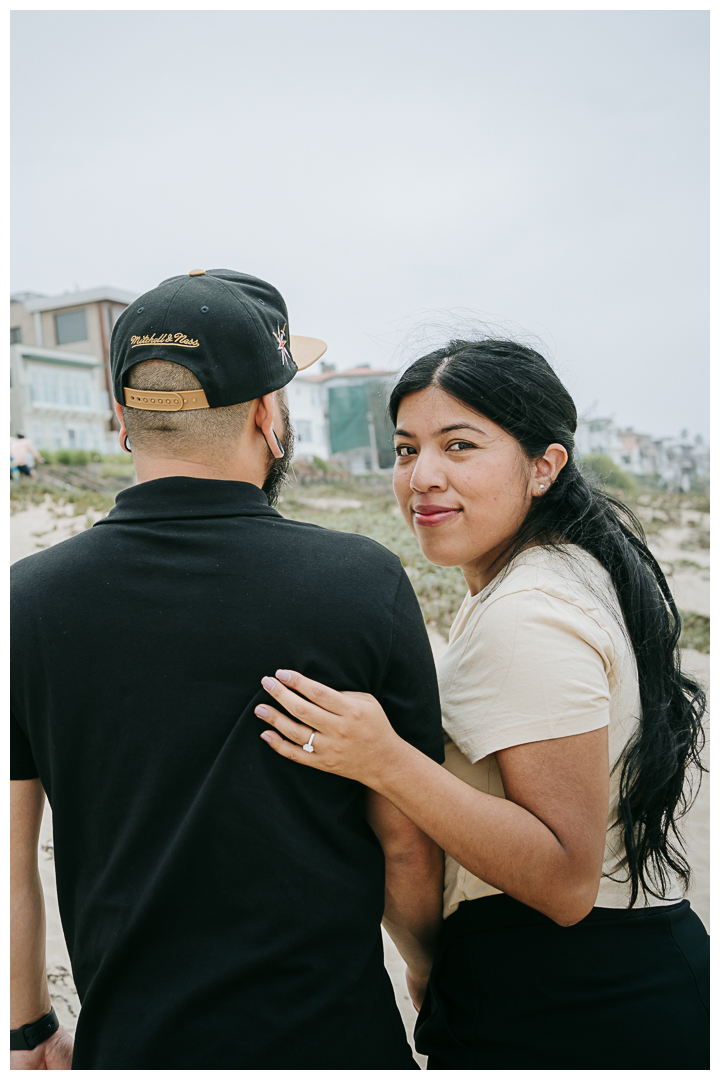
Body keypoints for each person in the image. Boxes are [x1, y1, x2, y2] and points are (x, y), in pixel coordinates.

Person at [10, 269, 445, 1070]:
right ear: (265, 414)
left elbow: (11, 850)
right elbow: (407, 845)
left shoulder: (26, 602)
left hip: (134, 1050)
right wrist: (424, 965)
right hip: (330, 1043)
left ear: (120, 419)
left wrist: (29, 1024)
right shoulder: (360, 583)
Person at [254, 338, 710, 1070]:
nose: (423, 477)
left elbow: (564, 879)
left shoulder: (528, 611)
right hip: (603, 974)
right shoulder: (555, 571)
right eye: (405, 451)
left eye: (459, 446)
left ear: (543, 466)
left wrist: (384, 760)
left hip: (574, 999)